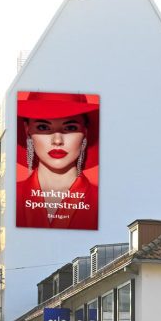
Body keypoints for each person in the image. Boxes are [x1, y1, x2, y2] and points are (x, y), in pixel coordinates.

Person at [14, 96, 99, 231]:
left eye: (70, 127)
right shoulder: (11, 196)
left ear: (85, 132)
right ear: (27, 130)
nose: (57, 140)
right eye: (43, 127)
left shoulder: (100, 200)